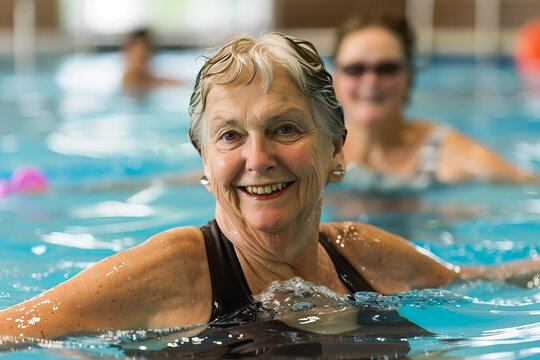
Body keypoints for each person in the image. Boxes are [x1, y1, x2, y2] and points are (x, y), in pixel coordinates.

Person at [1, 32, 540, 340]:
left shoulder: (366, 255)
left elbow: (488, 281)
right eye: (231, 135)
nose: (257, 158)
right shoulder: (173, 270)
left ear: (335, 151)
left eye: (285, 129)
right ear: (206, 165)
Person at [332, 13, 539, 192]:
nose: (371, 81)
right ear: (335, 80)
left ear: (409, 78)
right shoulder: (321, 148)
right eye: (355, 69)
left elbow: (527, 183)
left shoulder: (445, 153)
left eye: (386, 69)